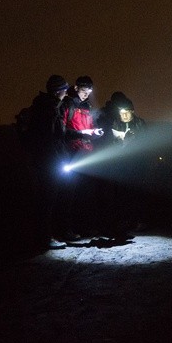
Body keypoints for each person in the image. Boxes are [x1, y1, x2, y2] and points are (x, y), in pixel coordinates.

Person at [26, 74, 70, 250]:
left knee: (45, 199)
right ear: (58, 91)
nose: (66, 93)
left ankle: (43, 237)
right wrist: (59, 158)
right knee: (47, 200)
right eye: (65, 90)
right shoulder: (49, 109)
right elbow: (50, 138)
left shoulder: (46, 106)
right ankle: (44, 239)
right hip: (49, 161)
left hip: (44, 160)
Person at [96, 92, 149, 236]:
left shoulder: (139, 123)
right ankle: (123, 220)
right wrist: (118, 142)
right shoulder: (115, 123)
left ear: (132, 111)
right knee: (122, 194)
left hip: (137, 164)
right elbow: (107, 142)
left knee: (136, 193)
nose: (124, 115)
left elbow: (147, 143)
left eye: (127, 112)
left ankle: (137, 220)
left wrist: (135, 140)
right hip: (121, 165)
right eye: (122, 113)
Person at [61, 76, 104, 238]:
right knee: (70, 193)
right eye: (84, 90)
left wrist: (95, 132)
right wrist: (81, 133)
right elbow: (62, 130)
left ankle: (84, 227)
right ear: (76, 87)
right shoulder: (68, 104)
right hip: (72, 153)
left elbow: (91, 126)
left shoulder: (87, 106)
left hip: (86, 152)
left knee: (85, 193)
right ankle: (67, 229)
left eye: (89, 91)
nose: (86, 94)